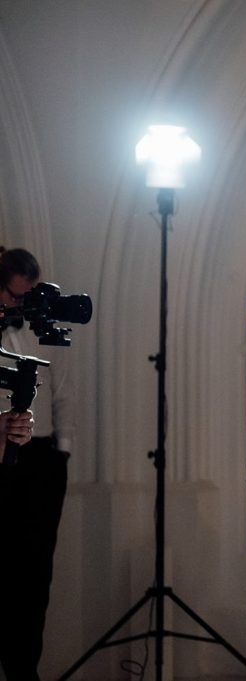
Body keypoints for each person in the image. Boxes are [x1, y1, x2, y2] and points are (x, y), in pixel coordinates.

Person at [0, 247, 75, 681]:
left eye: (28, 294)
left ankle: (24, 670)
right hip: (2, 454)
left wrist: (62, 450)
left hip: (43, 459)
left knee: (35, 571)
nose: (21, 303)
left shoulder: (44, 326)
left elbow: (63, 390)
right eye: (15, 295)